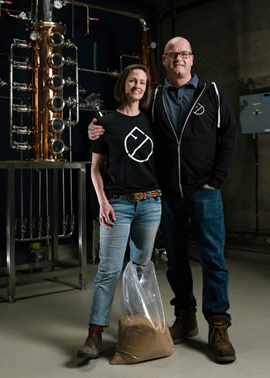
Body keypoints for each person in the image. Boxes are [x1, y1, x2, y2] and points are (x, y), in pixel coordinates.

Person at [88, 37, 237, 363]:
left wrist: (216, 180)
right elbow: (125, 125)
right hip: (167, 194)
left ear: (191, 59)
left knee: (213, 259)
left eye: (184, 54)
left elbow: (228, 136)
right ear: (165, 62)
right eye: (172, 55)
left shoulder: (212, 93)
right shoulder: (155, 100)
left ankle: (218, 325)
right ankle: (185, 317)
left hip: (204, 191)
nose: (178, 59)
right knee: (177, 260)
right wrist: (96, 129)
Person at [77, 64, 162, 359]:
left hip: (151, 203)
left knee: (141, 269)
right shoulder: (105, 121)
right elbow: (96, 169)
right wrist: (103, 201)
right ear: (123, 84)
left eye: (142, 82)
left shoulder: (154, 119)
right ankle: (95, 333)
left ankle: (137, 327)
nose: (137, 85)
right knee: (107, 270)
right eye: (132, 80)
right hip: (118, 205)